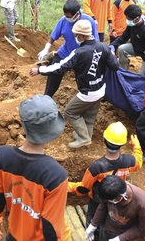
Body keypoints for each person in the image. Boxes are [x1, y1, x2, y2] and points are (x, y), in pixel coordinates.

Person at [0, 95, 69, 240]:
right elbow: (51, 227)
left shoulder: (0, 157)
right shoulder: (56, 176)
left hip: (13, 234)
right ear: (52, 131)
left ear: (24, 125)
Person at [30, 20, 119, 148]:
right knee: (90, 116)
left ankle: (84, 138)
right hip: (100, 90)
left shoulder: (78, 53)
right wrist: (110, 54)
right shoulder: (103, 47)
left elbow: (60, 67)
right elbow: (115, 66)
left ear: (82, 36)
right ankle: (86, 135)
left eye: (76, 35)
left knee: (69, 112)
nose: (75, 38)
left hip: (87, 93)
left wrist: (39, 70)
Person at [68, 122, 143, 225]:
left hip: (99, 200)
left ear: (104, 140)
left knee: (93, 221)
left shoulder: (97, 167)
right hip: (117, 198)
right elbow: (138, 162)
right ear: (122, 144)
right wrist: (137, 146)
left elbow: (83, 188)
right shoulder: (129, 161)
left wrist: (67, 186)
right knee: (109, 220)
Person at [37, 0, 99, 98]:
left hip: (81, 55)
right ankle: (47, 97)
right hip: (65, 52)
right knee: (54, 74)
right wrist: (46, 48)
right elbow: (54, 35)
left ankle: (84, 98)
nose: (67, 18)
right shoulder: (63, 20)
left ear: (77, 14)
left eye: (69, 17)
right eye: (65, 16)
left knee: (83, 79)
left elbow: (95, 41)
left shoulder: (88, 21)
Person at [85, 175, 145, 241]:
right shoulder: (111, 190)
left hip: (125, 235)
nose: (109, 203)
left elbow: (144, 229)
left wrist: (120, 239)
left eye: (110, 201)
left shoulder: (143, 205)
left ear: (120, 197)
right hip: (106, 228)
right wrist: (93, 224)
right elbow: (103, 205)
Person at [110, 4, 145, 76]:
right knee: (121, 49)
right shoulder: (131, 24)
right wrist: (111, 46)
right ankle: (123, 71)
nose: (127, 20)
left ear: (136, 19)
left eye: (128, 19)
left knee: (141, 78)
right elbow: (123, 38)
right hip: (136, 48)